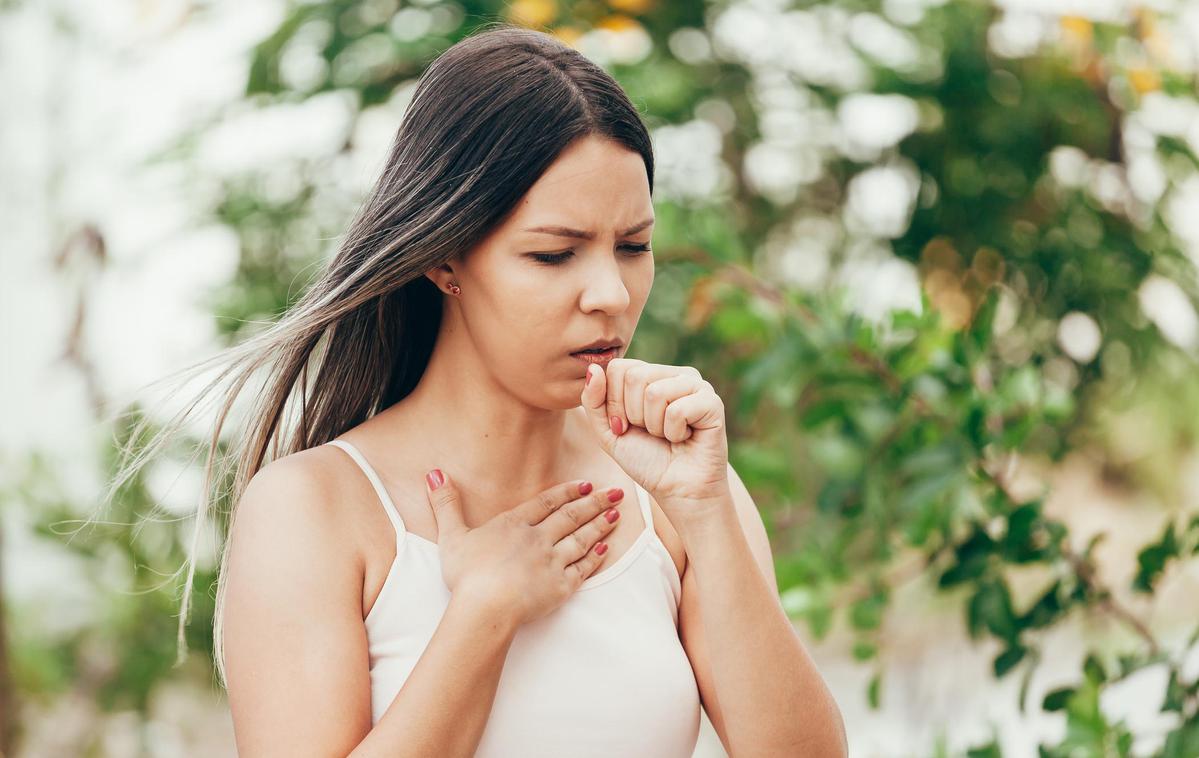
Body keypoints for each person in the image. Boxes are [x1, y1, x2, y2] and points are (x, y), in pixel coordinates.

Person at [146, 22, 847, 758]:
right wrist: (481, 615)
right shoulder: (315, 508)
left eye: (634, 246)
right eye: (553, 255)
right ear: (445, 258)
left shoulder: (679, 501)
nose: (609, 292)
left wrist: (706, 515)